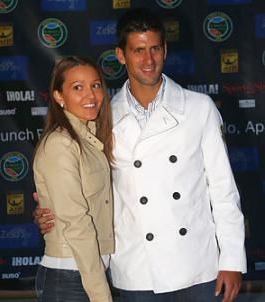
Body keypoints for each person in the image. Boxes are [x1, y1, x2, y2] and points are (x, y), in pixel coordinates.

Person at [34, 8, 247, 302]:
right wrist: (49, 210)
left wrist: (232, 260)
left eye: (154, 49)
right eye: (138, 50)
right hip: (136, 268)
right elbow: (85, 186)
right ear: (121, 55)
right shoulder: (103, 118)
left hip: (197, 264)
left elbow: (224, 191)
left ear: (165, 50)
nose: (148, 60)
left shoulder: (199, 108)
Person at [33, 56, 114, 302]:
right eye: (77, 88)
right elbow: (77, 224)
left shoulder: (90, 139)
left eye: (96, 85)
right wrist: (101, 295)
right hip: (71, 277)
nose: (90, 95)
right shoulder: (60, 144)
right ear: (59, 96)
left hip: (88, 273)